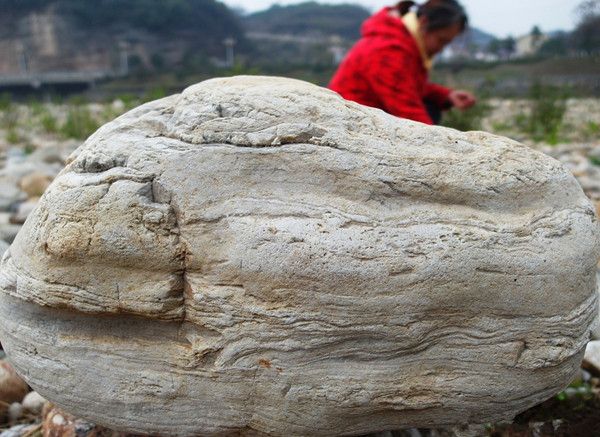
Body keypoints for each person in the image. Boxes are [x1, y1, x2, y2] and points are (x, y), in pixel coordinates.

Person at [329, 0, 476, 125]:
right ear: (424, 23)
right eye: (441, 41)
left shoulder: (403, 42)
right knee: (429, 111)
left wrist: (447, 95)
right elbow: (410, 113)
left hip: (366, 118)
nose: (440, 49)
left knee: (431, 106)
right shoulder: (388, 50)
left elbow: (409, 85)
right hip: (349, 124)